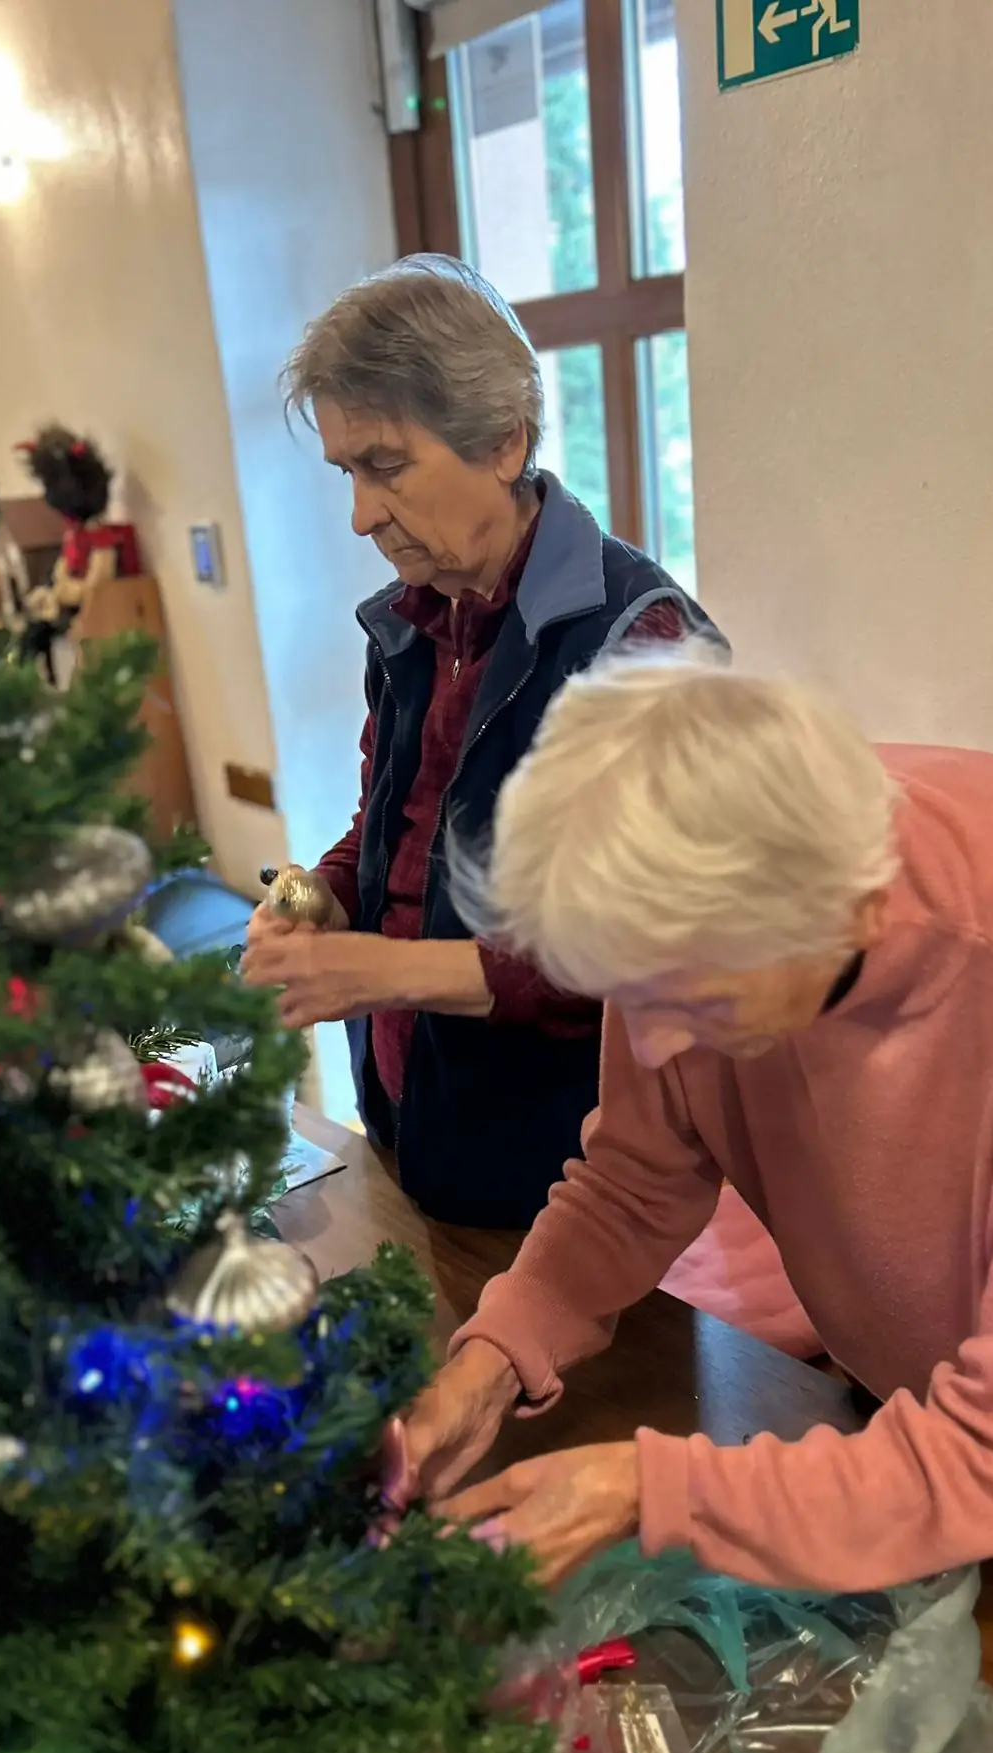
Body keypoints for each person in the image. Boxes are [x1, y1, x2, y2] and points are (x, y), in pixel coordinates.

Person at [385, 653, 993, 1590]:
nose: (650, 1046)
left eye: (689, 1001)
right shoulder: (695, 906)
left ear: (845, 914)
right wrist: (491, 1359)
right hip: (944, 1438)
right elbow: (632, 1185)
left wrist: (650, 1490)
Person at [240, 256, 721, 1228]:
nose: (360, 515)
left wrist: (379, 972)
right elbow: (390, 828)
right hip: (416, 1128)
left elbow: (638, 948)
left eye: (385, 466)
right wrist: (326, 895)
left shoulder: (639, 642)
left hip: (573, 1186)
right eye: (346, 472)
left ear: (505, 441)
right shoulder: (410, 623)